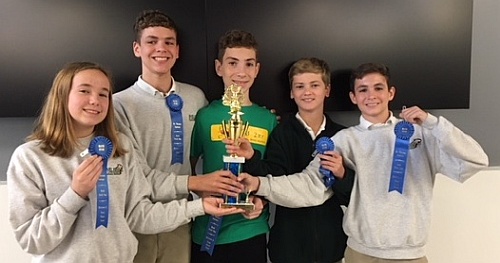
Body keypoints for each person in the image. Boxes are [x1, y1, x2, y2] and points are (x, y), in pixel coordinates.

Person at [239, 62, 489, 263]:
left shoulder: (421, 133)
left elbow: (475, 161)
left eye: (378, 88)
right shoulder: (343, 140)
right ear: (353, 97)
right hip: (360, 254)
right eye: (363, 90)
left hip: (409, 255)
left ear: (391, 93)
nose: (371, 96)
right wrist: (259, 183)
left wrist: (434, 123)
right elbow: (308, 185)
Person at [6, 62, 244, 263]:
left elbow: (139, 215)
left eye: (103, 94)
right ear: (62, 95)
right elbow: (32, 240)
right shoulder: (30, 158)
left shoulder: (120, 148)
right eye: (84, 91)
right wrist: (75, 195)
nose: (95, 101)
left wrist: (200, 207)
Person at [113, 10, 244, 263]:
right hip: (136, 220)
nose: (161, 49)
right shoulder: (118, 105)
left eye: (168, 42)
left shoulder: (195, 97)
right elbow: (136, 176)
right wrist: (197, 183)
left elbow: (210, 144)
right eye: (151, 41)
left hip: (182, 218)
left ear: (177, 50)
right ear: (137, 48)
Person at [225, 57, 354, 263]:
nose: (307, 92)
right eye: (300, 86)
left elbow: (350, 196)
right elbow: (273, 178)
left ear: (327, 90)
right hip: (288, 244)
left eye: (314, 85)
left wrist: (341, 174)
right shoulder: (280, 132)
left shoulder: (342, 136)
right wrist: (251, 157)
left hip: (332, 244)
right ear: (292, 93)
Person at [190, 29, 278, 263]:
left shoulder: (268, 120)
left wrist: (262, 200)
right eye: (232, 63)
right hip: (208, 228)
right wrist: (200, 190)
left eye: (249, 64)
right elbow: (186, 168)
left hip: (250, 229)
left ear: (257, 70)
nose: (241, 72)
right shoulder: (204, 116)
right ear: (219, 68)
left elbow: (274, 172)